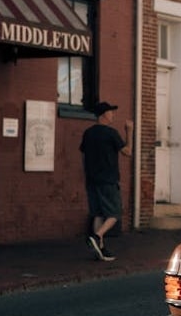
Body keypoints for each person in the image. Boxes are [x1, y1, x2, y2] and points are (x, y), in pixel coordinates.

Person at [80, 102, 133, 261]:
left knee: (98, 213)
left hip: (91, 179)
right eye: (111, 112)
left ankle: (100, 248)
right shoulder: (111, 133)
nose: (113, 115)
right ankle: (97, 236)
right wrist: (129, 131)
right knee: (114, 213)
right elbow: (128, 152)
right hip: (108, 179)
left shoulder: (88, 133)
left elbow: (83, 155)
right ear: (103, 114)